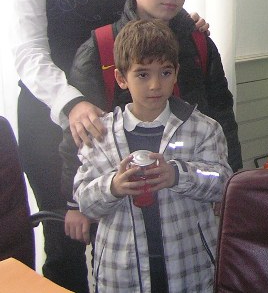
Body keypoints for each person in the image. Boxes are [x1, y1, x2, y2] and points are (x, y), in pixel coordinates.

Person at [62, 0, 242, 243]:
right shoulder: (101, 47)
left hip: (189, 210)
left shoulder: (199, 42)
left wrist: (233, 185)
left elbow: (222, 114)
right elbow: (78, 130)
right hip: (125, 215)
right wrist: (72, 203)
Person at [9, 0, 133, 291]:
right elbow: (29, 55)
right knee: (66, 240)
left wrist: (188, 21)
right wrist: (73, 103)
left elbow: (151, 23)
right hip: (50, 123)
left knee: (120, 231)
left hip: (116, 120)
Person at [74, 19, 232, 292]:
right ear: (121, 78)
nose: (156, 85)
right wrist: (113, 186)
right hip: (121, 274)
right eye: (143, 75)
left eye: (165, 72)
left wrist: (178, 174)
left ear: (176, 73)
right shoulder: (101, 136)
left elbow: (222, 182)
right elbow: (85, 201)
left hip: (189, 267)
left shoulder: (203, 129)